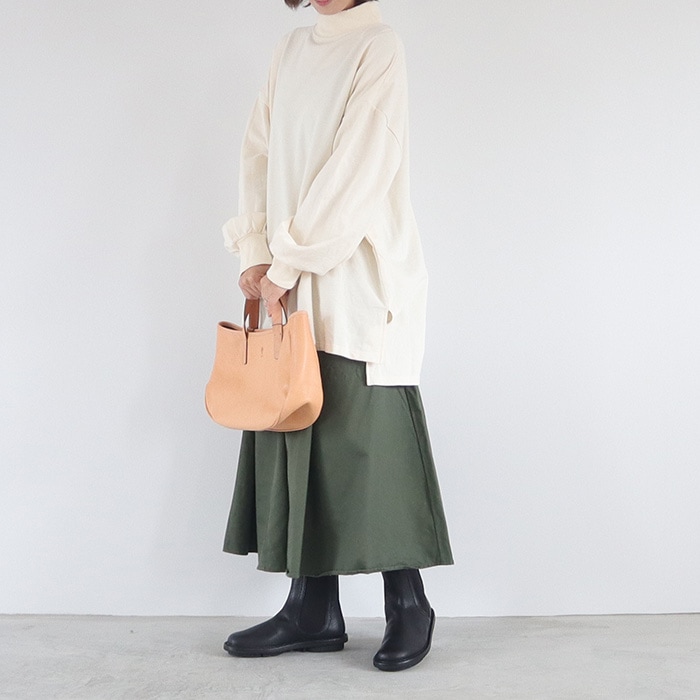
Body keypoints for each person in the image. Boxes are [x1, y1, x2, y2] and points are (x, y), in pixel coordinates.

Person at [220, 0, 453, 672]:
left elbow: (360, 168)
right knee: (297, 428)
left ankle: (408, 604)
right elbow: (258, 152)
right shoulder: (291, 49)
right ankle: (311, 609)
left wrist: (287, 261)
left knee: (371, 442)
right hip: (291, 277)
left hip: (357, 279)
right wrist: (256, 252)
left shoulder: (379, 47)